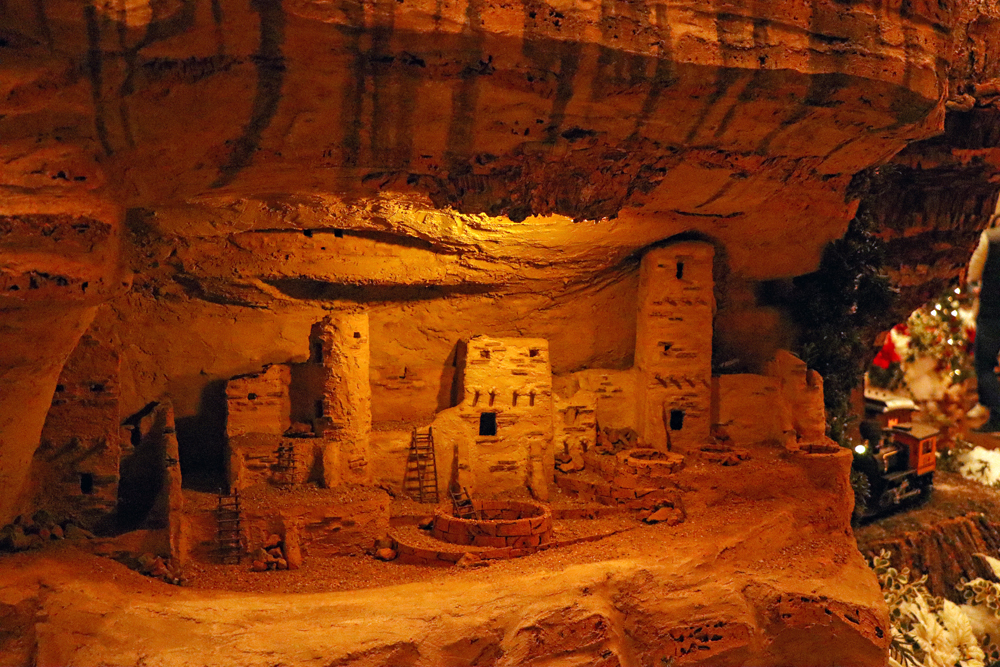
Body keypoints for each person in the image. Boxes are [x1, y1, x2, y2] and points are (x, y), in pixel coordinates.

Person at [968, 213, 1000, 432]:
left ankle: (997, 415)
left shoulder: (990, 238)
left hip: (991, 311)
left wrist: (976, 288)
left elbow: (973, 273)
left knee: (985, 365)